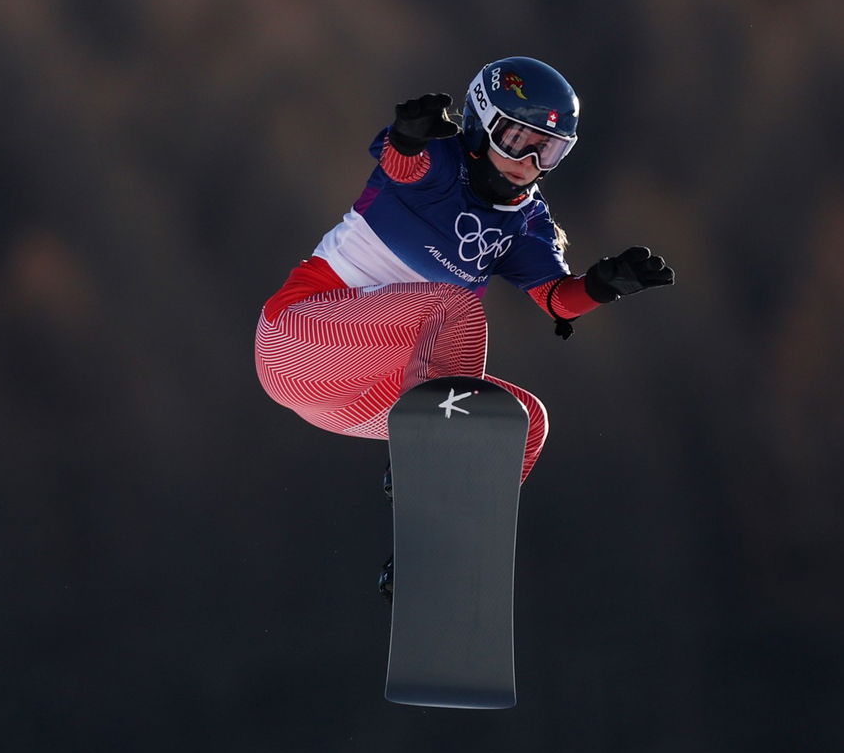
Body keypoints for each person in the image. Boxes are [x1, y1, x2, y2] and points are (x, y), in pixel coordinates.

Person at [255, 55, 675, 498]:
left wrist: (603, 286)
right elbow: (402, 166)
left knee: (518, 421)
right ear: (481, 125)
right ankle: (428, 448)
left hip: (357, 398)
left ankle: (442, 544)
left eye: (547, 149)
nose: (529, 161)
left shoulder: (527, 222)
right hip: (296, 342)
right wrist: (408, 136)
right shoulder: (440, 158)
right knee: (454, 303)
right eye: (516, 140)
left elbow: (556, 300)